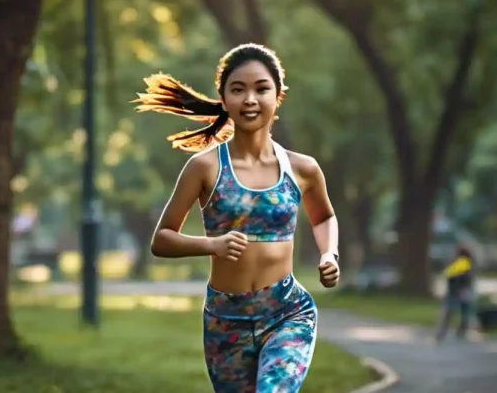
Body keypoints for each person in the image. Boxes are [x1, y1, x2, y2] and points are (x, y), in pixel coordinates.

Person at [133, 43, 341, 392]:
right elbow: (162, 239)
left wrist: (329, 254)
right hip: (226, 321)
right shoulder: (204, 167)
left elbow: (324, 217)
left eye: (261, 89)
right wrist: (213, 244)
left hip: (287, 312)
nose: (250, 99)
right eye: (238, 89)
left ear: (279, 97)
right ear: (224, 97)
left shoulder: (302, 168)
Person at [435, 242, 475, 342]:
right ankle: (461, 331)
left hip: (454, 291)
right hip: (463, 291)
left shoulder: (454, 263)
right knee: (465, 312)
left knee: (449, 313)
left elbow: (448, 275)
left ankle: (442, 332)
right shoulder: (467, 263)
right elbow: (468, 278)